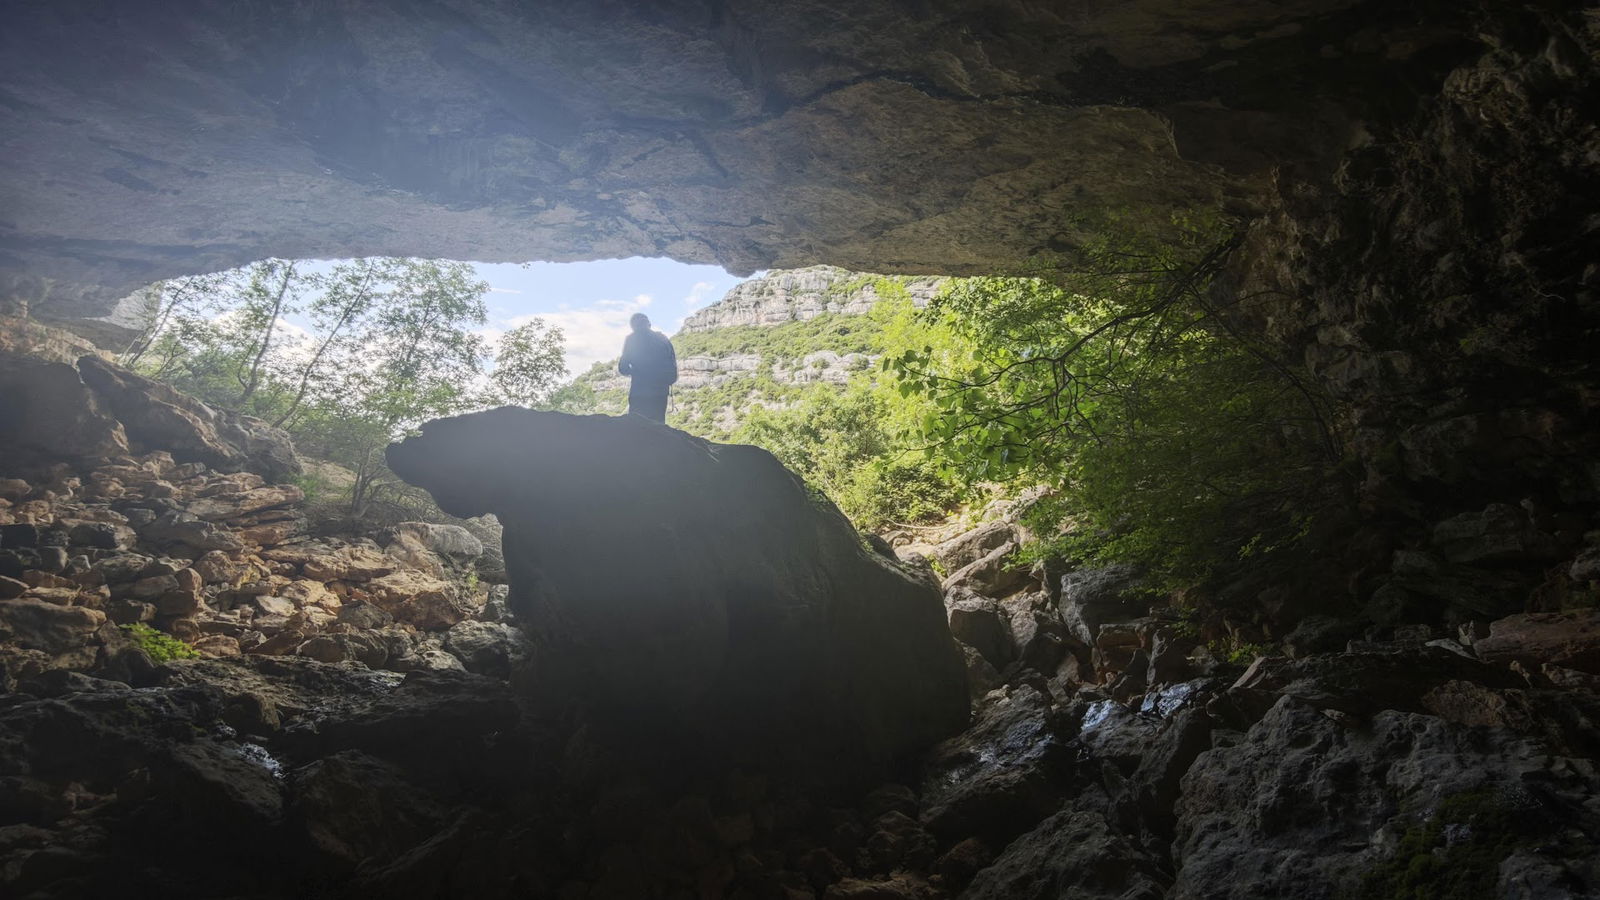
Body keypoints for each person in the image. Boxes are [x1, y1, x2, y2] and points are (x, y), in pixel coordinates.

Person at [617, 313, 677, 423]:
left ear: (633, 326)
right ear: (649, 324)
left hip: (639, 391)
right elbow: (673, 368)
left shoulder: (631, 339)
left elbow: (623, 367)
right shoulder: (663, 339)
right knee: (658, 428)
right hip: (660, 392)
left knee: (637, 428)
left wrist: (636, 372)